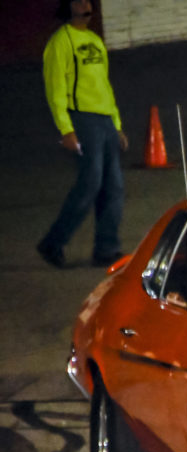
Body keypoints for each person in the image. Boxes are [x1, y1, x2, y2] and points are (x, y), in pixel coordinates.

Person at [37, 0, 128, 268]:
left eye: (88, 2)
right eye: (79, 2)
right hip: (82, 119)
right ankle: (53, 242)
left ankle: (106, 249)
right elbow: (55, 88)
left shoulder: (94, 41)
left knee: (114, 187)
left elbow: (103, 84)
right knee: (90, 184)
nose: (86, 6)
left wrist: (116, 123)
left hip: (104, 120)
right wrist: (66, 128)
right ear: (69, 8)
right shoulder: (60, 42)